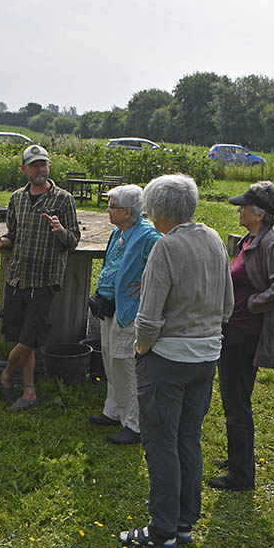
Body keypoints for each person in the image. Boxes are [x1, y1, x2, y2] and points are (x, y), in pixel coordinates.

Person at [118, 174, 233, 548]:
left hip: (169, 359)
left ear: (159, 212)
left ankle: (162, 529)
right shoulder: (214, 238)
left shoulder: (165, 248)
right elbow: (228, 305)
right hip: (207, 355)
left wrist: (140, 349)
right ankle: (184, 523)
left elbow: (148, 319)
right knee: (188, 438)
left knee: (161, 442)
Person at [208, 181, 274, 491]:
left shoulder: (271, 244)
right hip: (234, 330)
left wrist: (254, 303)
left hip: (244, 334)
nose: (239, 209)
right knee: (235, 400)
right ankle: (239, 458)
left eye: (244, 206)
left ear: (259, 213)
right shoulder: (252, 239)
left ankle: (241, 476)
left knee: (237, 404)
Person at [0, 144, 80, 412]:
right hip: (17, 277)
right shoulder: (17, 198)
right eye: (35, 165)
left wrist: (60, 230)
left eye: (44, 164)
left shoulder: (63, 199)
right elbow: (13, 235)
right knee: (18, 336)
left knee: (29, 338)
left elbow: (72, 241)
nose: (41, 169)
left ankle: (4, 377)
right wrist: (1, 242)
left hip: (44, 278)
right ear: (24, 169)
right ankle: (29, 392)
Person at [88, 184, 160, 444]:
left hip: (129, 309)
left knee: (125, 363)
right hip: (109, 305)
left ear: (129, 212)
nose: (108, 210)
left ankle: (135, 424)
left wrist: (147, 282)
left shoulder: (148, 235)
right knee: (109, 357)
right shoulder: (120, 230)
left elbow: (164, 262)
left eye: (112, 207)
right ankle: (114, 410)